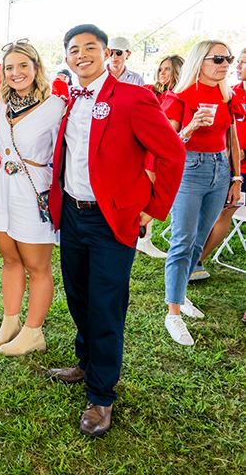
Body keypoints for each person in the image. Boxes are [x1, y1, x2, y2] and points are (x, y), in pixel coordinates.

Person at [47, 24, 183, 438]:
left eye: (91, 47)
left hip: (112, 220)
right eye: (74, 49)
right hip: (72, 214)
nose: (82, 54)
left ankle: (101, 396)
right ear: (67, 57)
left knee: (106, 305)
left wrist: (153, 209)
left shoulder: (133, 96)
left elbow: (172, 152)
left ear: (107, 53)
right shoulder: (68, 99)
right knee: (78, 296)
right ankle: (86, 361)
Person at [0, 40, 64, 355]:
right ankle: (11, 321)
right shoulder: (1, 105)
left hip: (33, 190)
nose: (15, 73)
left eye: (22, 66)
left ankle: (34, 332)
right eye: (9, 68)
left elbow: (62, 155)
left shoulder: (56, 106)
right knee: (11, 259)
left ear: (36, 68)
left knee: (37, 266)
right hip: (2, 187)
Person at [161, 40, 241, 346]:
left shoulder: (226, 95)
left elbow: (231, 137)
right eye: (218, 58)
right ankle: (173, 313)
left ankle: (180, 296)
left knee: (199, 240)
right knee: (182, 241)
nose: (225, 64)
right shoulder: (180, 96)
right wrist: (190, 127)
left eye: (228, 58)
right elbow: (168, 145)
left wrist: (235, 177)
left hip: (221, 169)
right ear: (200, 61)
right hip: (190, 169)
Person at [199, 47, 246, 278]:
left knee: (224, 214)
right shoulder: (230, 92)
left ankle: (197, 260)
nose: (235, 65)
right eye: (236, 61)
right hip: (222, 164)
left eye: (241, 62)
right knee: (214, 213)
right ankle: (195, 259)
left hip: (241, 169)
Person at [136, 54, 184, 259]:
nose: (162, 73)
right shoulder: (154, 92)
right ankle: (142, 238)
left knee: (155, 193)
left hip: (163, 150)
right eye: (160, 68)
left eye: (167, 69)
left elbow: (170, 131)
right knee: (147, 193)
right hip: (150, 150)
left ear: (177, 71)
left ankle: (142, 238)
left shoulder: (179, 96)